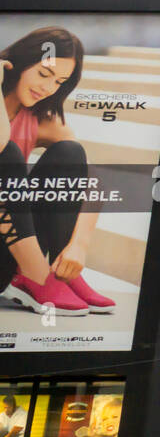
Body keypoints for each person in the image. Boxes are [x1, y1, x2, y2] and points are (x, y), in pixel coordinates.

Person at [0, 26, 115, 317]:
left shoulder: (40, 120)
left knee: (69, 153)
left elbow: (93, 181)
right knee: (9, 153)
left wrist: (78, 247)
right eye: (43, 74)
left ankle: (64, 274)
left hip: (9, 248)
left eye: (59, 82)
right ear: (20, 63)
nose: (48, 88)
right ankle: (35, 274)